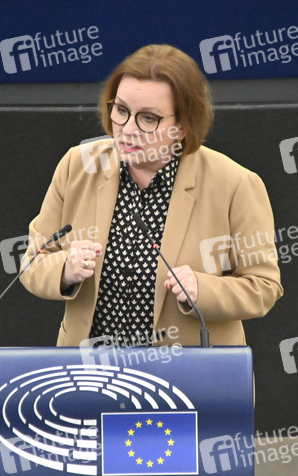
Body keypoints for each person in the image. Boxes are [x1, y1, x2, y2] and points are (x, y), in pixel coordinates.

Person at [20, 44, 283, 348]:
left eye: (148, 118)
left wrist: (203, 289)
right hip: (90, 369)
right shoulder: (78, 166)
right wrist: (65, 269)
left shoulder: (235, 185)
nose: (127, 129)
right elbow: (32, 263)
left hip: (186, 371)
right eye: (121, 111)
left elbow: (264, 287)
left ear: (182, 125)